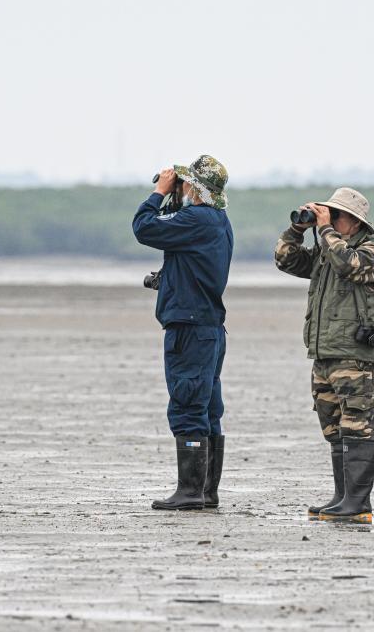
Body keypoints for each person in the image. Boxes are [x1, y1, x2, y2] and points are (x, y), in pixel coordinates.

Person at [274, 188, 374, 523]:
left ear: (353, 221)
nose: (329, 220)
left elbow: (349, 266)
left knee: (356, 424)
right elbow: (286, 260)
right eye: (328, 214)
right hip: (324, 350)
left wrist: (325, 231)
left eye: (335, 215)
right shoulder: (327, 250)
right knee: (333, 426)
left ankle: (358, 503)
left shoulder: (373, 250)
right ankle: (342, 497)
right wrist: (297, 230)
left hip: (354, 353)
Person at [132, 155, 233, 511]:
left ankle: (190, 492)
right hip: (209, 327)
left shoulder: (197, 219)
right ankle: (205, 491)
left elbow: (144, 227)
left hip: (190, 327)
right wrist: (176, 195)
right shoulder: (217, 219)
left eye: (186, 183)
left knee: (188, 403)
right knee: (208, 408)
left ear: (196, 188)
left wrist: (158, 193)